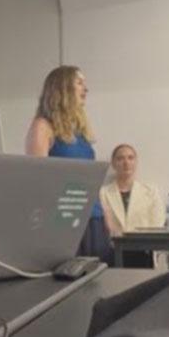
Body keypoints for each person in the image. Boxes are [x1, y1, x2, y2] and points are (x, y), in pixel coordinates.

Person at [24, 65, 109, 258]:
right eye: (79, 83)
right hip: (63, 221)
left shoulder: (80, 133)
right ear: (62, 88)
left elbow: (93, 182)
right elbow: (37, 180)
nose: (85, 89)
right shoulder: (43, 126)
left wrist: (107, 217)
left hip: (93, 218)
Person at [99, 143, 165, 267]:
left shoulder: (150, 192)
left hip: (144, 252)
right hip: (113, 253)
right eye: (120, 158)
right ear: (113, 164)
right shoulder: (103, 193)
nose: (126, 162)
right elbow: (104, 227)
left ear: (136, 162)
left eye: (130, 158)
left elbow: (157, 223)